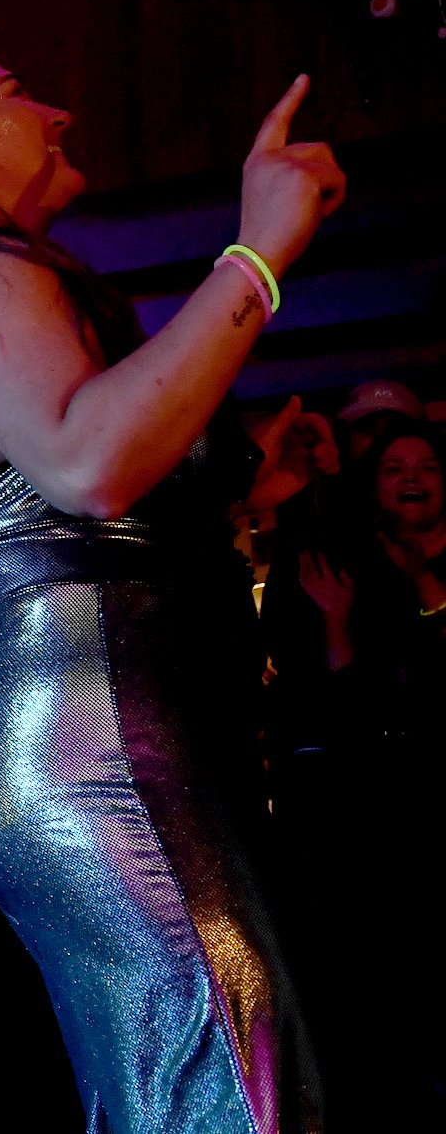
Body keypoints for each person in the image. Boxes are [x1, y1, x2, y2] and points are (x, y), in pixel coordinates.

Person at [0, 50, 339, 1131]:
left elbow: (70, 505)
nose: (56, 107)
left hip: (55, 750)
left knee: (170, 1082)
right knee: (229, 1083)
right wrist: (258, 253)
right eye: (12, 95)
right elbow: (86, 461)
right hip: (92, 754)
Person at [265, 413, 446, 1127]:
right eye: (394, 466)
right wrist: (340, 631)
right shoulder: (356, 568)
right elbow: (349, 703)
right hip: (394, 805)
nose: (411, 477)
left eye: (425, 466)